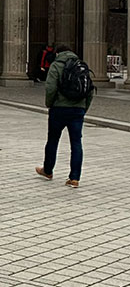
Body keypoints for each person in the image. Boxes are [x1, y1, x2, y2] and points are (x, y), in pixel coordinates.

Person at [36, 44, 95, 188]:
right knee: (76, 143)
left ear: (58, 54)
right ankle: (74, 178)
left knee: (53, 140)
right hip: (78, 111)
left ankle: (48, 170)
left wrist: (50, 104)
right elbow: (90, 90)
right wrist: (83, 108)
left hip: (59, 109)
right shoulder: (80, 66)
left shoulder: (56, 65)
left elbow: (50, 87)